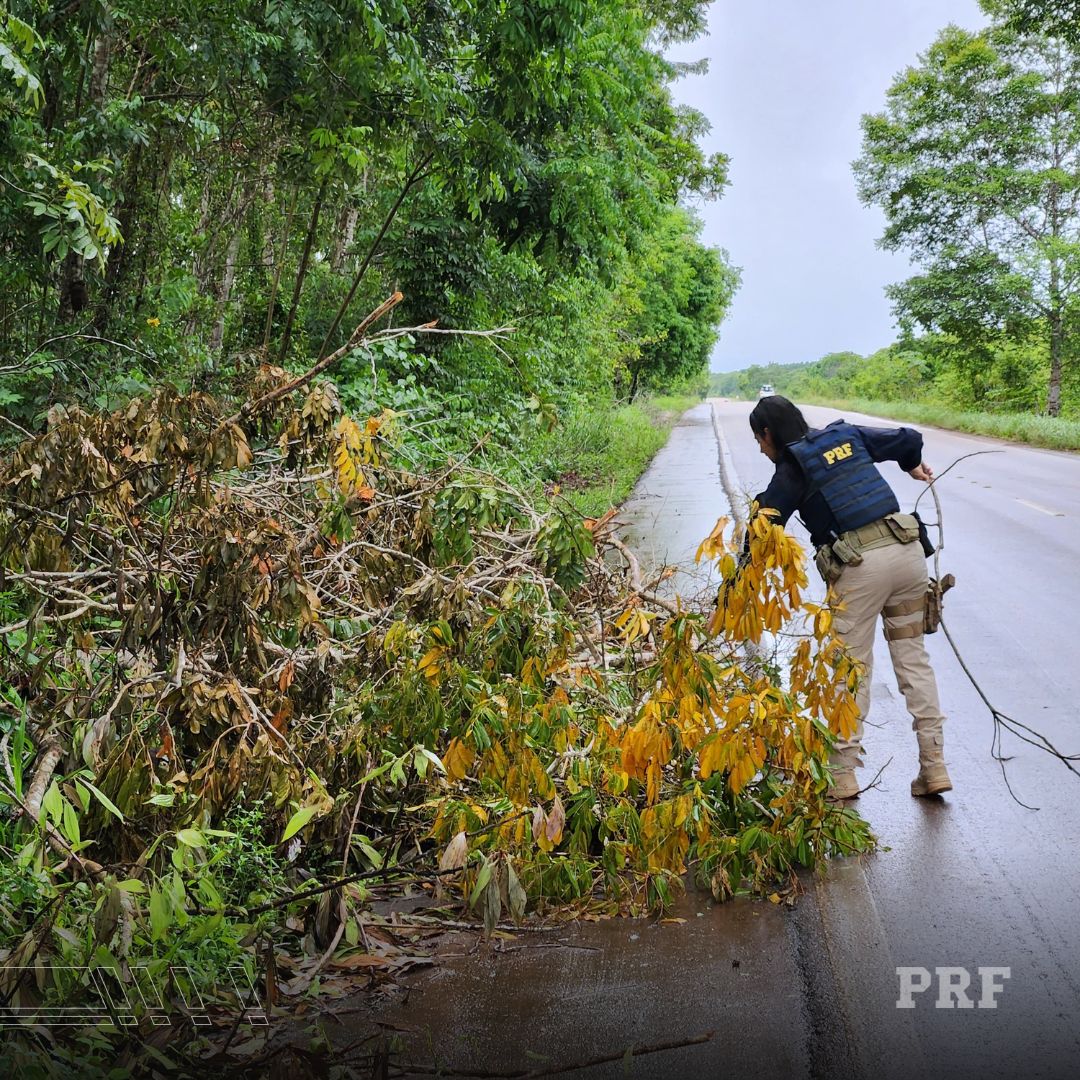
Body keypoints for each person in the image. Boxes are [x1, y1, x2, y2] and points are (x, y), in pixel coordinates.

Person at [746, 395, 951, 801]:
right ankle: (935, 767)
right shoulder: (847, 434)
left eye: (759, 440)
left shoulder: (793, 466)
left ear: (768, 433)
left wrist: (739, 582)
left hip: (862, 569)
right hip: (908, 555)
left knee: (850, 670)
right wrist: (913, 466)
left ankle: (841, 777)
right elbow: (908, 438)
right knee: (913, 661)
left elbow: (764, 524)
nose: (760, 448)